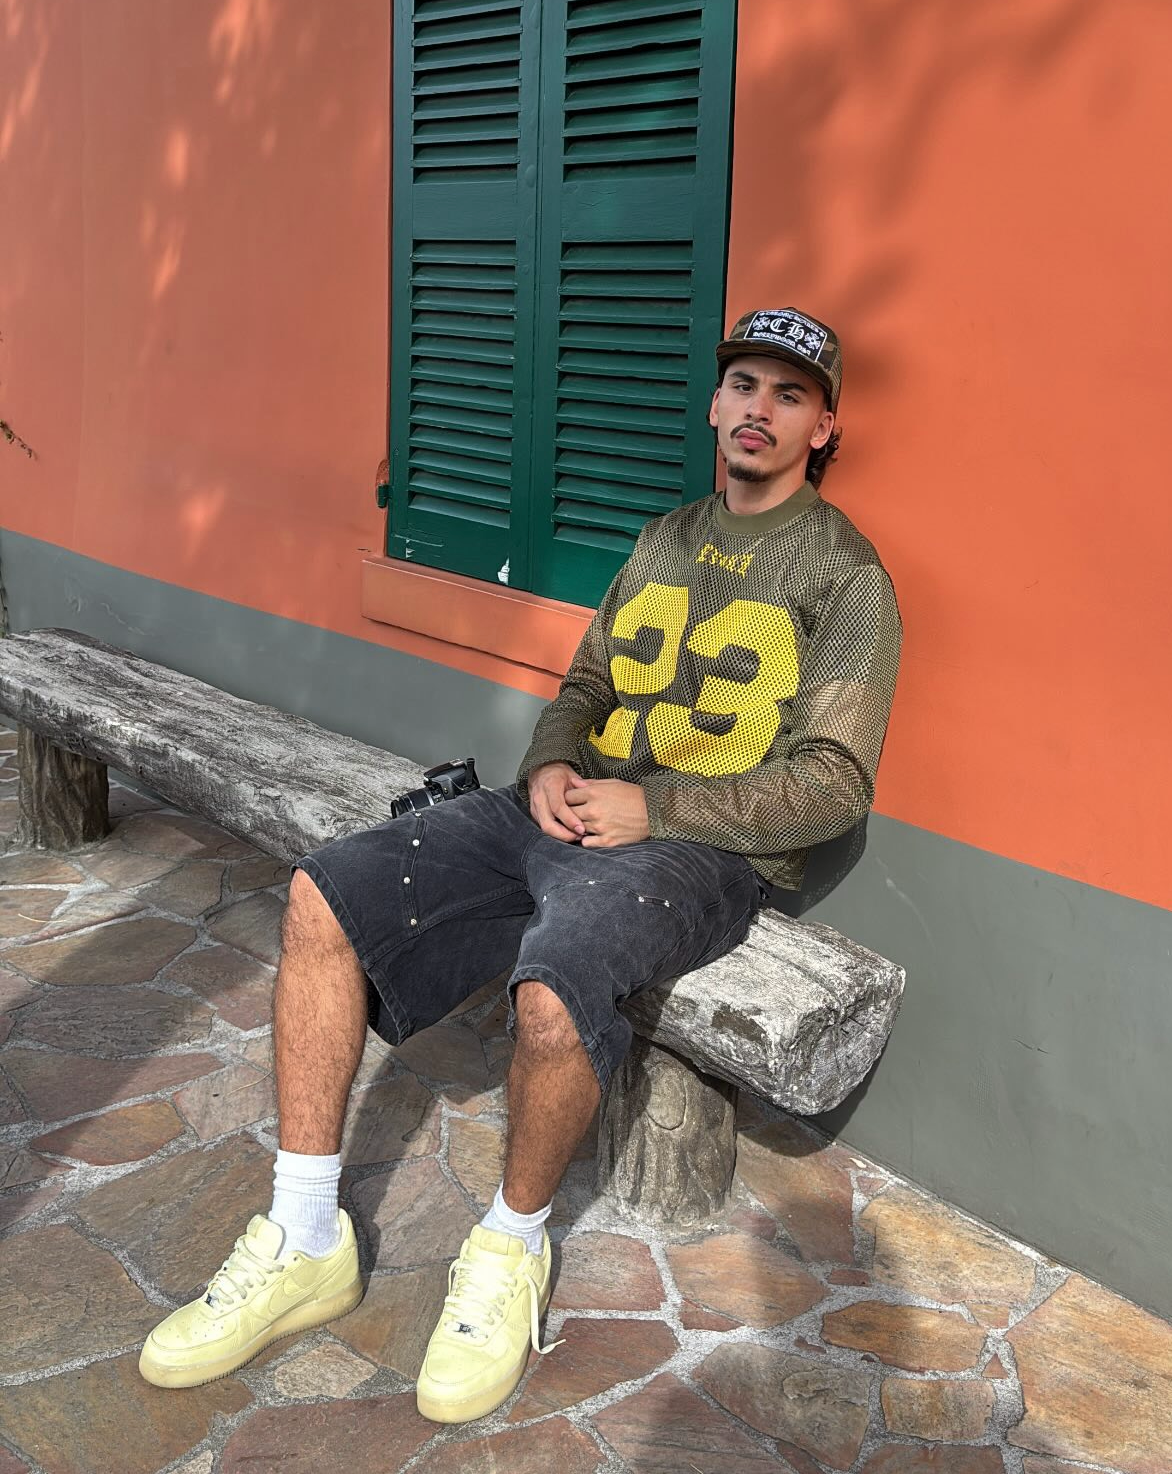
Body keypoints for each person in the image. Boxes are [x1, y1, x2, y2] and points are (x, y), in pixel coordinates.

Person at [139, 306, 902, 1421]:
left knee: (553, 985)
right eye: (744, 384)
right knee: (324, 894)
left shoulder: (845, 578)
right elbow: (589, 686)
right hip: (565, 805)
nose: (759, 409)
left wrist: (659, 806)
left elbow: (836, 780)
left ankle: (510, 1246)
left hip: (697, 851)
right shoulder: (665, 535)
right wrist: (548, 763)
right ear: (713, 403)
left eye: (790, 395)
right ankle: (304, 1233)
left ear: (824, 426)